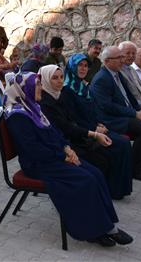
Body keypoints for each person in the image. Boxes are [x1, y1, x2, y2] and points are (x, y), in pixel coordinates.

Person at [3, 72, 133, 247]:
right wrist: (63, 156)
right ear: (24, 88)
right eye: (38, 85)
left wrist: (67, 148)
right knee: (85, 180)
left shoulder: (33, 107)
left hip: (53, 156)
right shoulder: (17, 115)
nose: (41, 88)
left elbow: (54, 132)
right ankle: (94, 231)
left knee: (95, 173)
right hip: (38, 164)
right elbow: (33, 149)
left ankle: (105, 225)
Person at [38, 64, 132, 200]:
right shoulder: (45, 102)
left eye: (61, 77)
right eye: (54, 78)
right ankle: (102, 195)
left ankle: (111, 192)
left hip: (75, 136)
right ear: (45, 80)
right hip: (64, 144)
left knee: (111, 150)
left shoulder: (61, 94)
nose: (59, 81)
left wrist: (93, 128)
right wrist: (93, 133)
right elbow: (64, 126)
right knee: (102, 158)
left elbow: (75, 117)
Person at [90, 46, 141, 183]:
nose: (123, 60)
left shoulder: (117, 73)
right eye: (119, 57)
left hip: (127, 113)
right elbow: (107, 107)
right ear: (107, 61)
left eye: (122, 56)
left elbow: (130, 96)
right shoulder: (102, 79)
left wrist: (139, 110)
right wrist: (135, 113)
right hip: (112, 119)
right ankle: (135, 169)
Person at [61, 54, 134, 198]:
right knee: (121, 144)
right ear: (72, 67)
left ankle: (117, 189)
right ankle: (113, 190)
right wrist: (94, 129)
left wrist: (98, 124)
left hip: (94, 128)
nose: (83, 68)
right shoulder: (67, 90)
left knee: (123, 143)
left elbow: (91, 111)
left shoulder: (82, 85)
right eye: (79, 65)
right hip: (83, 135)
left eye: (85, 66)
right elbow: (73, 119)